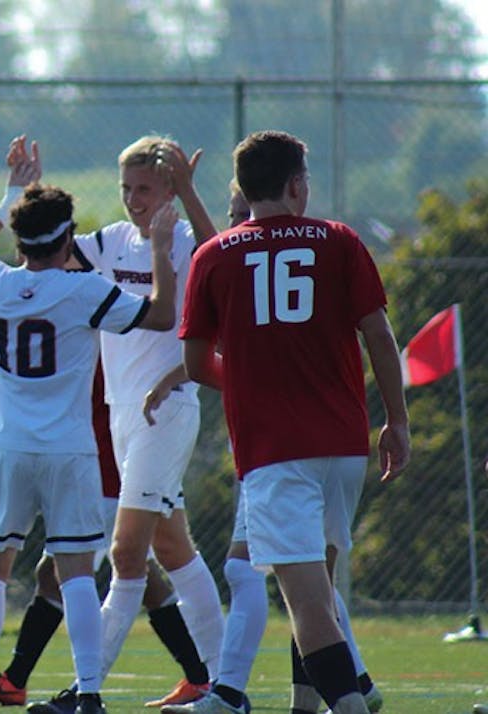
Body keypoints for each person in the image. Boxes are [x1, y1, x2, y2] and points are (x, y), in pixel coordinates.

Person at [173, 130, 410, 714]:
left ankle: (350, 707)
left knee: (305, 603)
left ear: (244, 189)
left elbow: (196, 361)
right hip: (344, 446)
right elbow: (379, 334)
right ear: (297, 185)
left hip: (275, 449)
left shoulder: (215, 254)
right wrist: (397, 421)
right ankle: (308, 706)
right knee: (319, 593)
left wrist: (254, 380)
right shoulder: (339, 241)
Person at [0, 135, 180, 714]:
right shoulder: (84, 290)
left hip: (7, 446)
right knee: (76, 573)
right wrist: (161, 249)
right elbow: (164, 315)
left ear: (22, 238)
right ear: (68, 239)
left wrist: (8, 198)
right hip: (69, 450)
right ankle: (90, 695)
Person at [28, 135, 225, 714]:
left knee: (126, 552)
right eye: (126, 189)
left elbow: (224, 255)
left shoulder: (187, 242)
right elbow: (48, 255)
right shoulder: (110, 241)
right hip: (122, 418)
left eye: (145, 188)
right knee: (176, 548)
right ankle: (222, 681)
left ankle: (85, 690)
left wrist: (188, 198)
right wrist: (32, 191)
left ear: (167, 187)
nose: (134, 200)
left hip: (167, 412)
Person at [0, 360, 212, 708]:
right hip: (108, 472)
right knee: (130, 573)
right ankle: (198, 676)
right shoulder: (99, 342)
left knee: (92, 572)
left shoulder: (94, 348)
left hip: (105, 477)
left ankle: (197, 677)